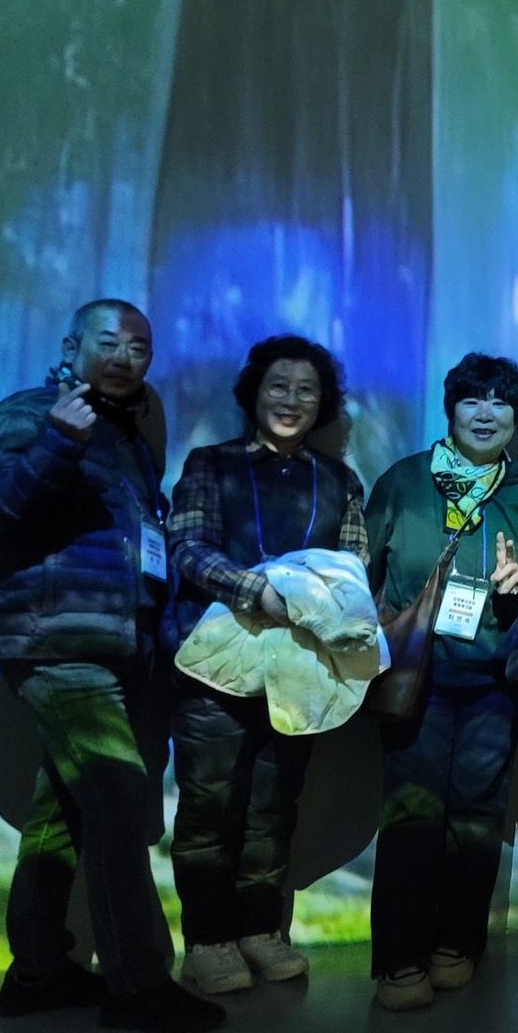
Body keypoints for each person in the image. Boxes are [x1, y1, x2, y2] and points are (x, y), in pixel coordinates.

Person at [0, 299, 223, 1033]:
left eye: (138, 348)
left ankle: (38, 971)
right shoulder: (25, 415)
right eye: (107, 342)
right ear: (71, 346)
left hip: (114, 647)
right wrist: (57, 440)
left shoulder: (127, 440)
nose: (122, 357)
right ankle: (137, 983)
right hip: (54, 642)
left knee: (63, 809)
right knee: (115, 795)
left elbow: (142, 551)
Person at [166, 335, 367, 996]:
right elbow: (188, 548)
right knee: (209, 806)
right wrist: (261, 593)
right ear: (253, 393)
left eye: (306, 390)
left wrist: (316, 608)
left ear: (322, 404)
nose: (291, 400)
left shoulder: (340, 481)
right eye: (278, 386)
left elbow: (355, 571)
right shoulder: (210, 464)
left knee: (273, 806)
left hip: (300, 668)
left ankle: (260, 930)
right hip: (212, 669)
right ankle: (207, 941)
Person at [363, 353, 518, 1011]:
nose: (485, 412)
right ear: (451, 410)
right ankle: (400, 959)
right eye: (472, 399)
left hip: (494, 681)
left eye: (500, 401)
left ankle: (457, 943)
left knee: (477, 815)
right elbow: (360, 571)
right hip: (417, 678)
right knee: (412, 811)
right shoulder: (405, 482)